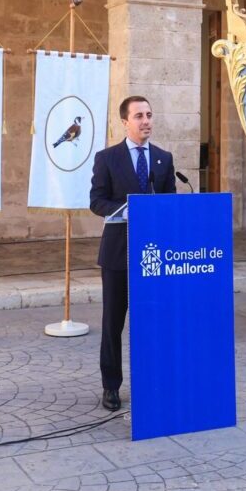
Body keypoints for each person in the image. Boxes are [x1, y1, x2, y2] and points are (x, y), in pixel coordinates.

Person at [89, 96, 177, 411]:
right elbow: (96, 201)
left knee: (153, 321)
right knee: (113, 322)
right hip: (118, 254)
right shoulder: (107, 158)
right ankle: (110, 386)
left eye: (149, 115)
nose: (146, 121)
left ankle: (155, 382)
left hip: (154, 256)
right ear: (124, 121)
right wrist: (127, 212)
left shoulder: (164, 159)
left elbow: (170, 204)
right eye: (139, 116)